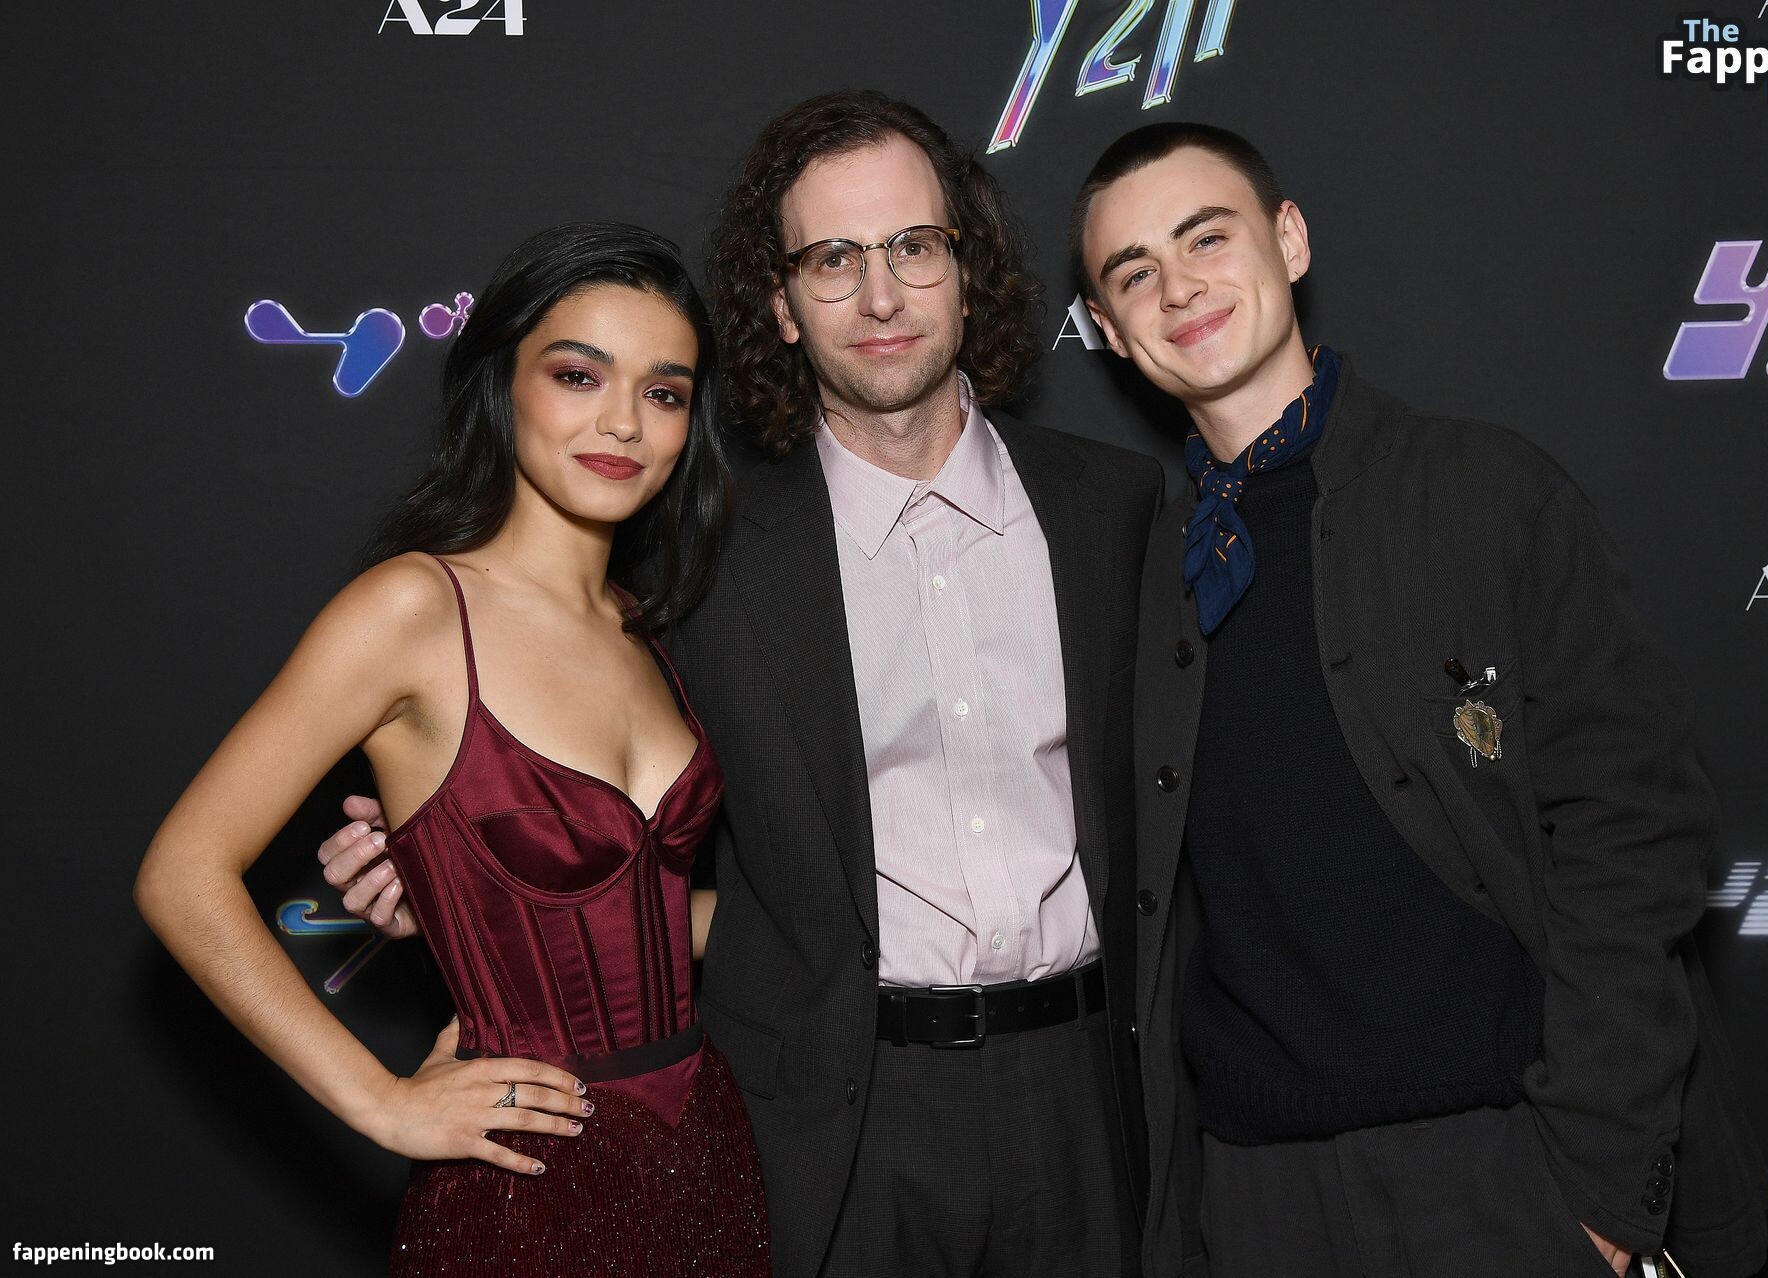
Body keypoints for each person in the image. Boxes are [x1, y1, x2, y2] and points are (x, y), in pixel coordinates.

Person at [319, 93, 1160, 1277]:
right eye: (833, 259)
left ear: (968, 269)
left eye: (914, 247)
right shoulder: (696, 571)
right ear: (780, 301)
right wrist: (470, 877)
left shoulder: (1118, 510)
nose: (880, 296)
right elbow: (594, 814)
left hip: (1092, 1096)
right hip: (828, 1121)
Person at [1071, 123, 1768, 1278]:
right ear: (1108, 329)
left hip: (1506, 1170)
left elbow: (1635, 834)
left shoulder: (1487, 493)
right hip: (1257, 1199)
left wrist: (1599, 1187)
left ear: (1290, 241)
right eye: (1134, 272)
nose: (1178, 287)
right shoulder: (1137, 573)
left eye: (1207, 238)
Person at [135, 222, 770, 1276]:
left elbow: (649, 914)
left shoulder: (651, 627)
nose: (623, 421)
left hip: (702, 1148)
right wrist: (381, 1102)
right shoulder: (413, 612)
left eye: (664, 392)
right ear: (502, 386)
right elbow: (182, 873)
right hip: (525, 1176)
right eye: (579, 375)